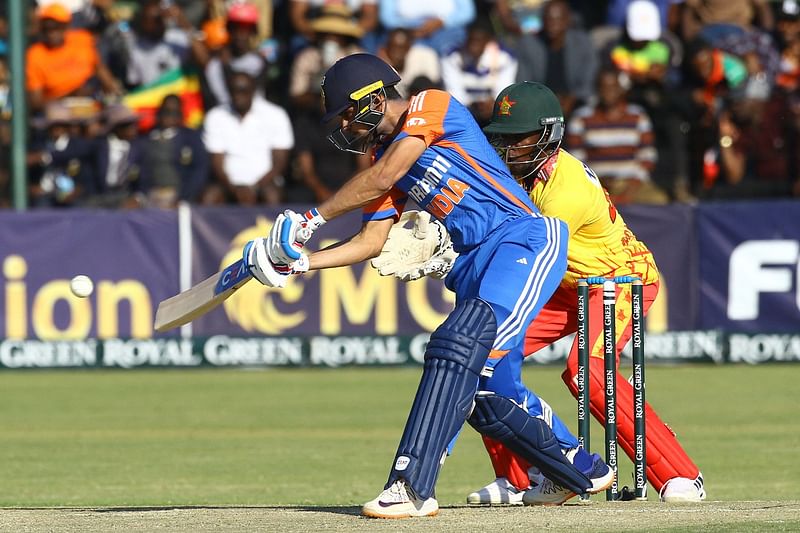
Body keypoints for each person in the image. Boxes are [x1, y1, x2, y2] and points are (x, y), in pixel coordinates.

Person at [242, 53, 614, 518]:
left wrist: (312, 219)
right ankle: (577, 469)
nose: (345, 129)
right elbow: (370, 241)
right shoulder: (381, 159)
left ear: (374, 99)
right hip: (475, 265)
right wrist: (300, 264)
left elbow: (386, 175)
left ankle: (410, 486)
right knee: (484, 392)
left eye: (346, 117)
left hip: (524, 240)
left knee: (455, 348)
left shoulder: (430, 105)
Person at [371, 81, 707, 504]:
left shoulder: (564, 186)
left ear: (549, 135)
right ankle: (523, 476)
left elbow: (529, 247)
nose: (508, 150)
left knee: (587, 373)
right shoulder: (512, 177)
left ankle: (680, 475)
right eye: (501, 139)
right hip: (565, 288)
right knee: (482, 357)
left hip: (617, 279)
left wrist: (446, 259)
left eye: (519, 139)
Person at [202, 71, 293, 205]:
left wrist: (254, 188)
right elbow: (217, 162)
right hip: (228, 184)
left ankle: (275, 227)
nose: (238, 95)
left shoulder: (275, 115)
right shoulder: (216, 116)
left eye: (243, 90)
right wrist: (235, 189)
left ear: (253, 91)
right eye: (233, 90)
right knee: (209, 197)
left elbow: (280, 162)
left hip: (265, 183)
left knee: (272, 196)